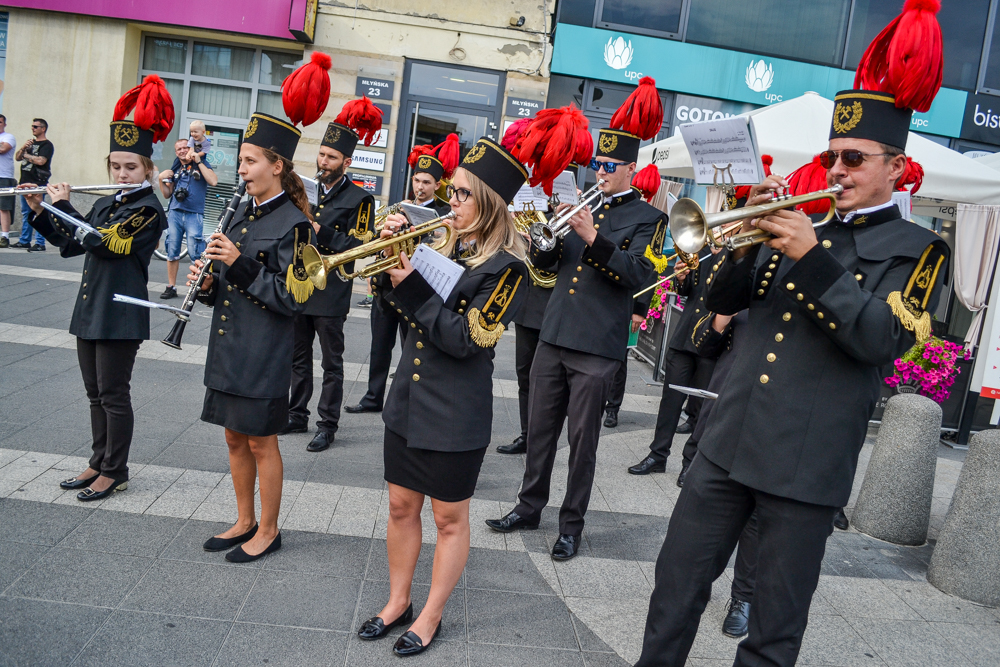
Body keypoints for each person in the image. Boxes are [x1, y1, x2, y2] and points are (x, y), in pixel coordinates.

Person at [635, 4, 950, 664]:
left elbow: (877, 342)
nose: (836, 170)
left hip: (804, 474)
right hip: (726, 447)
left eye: (854, 158)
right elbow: (716, 302)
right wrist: (748, 241)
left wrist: (811, 256)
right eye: (831, 156)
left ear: (896, 167)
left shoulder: (918, 251)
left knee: (772, 634)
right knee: (674, 592)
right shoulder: (808, 225)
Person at [356, 137, 528, 657]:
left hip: (455, 414)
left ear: (490, 205)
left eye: (460, 196)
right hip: (408, 400)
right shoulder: (442, 248)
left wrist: (410, 284)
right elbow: (398, 310)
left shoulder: (509, 271)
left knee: (448, 519)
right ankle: (397, 601)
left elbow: (464, 341)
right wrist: (392, 259)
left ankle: (429, 616)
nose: (449, 204)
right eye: (451, 194)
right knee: (400, 506)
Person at [487, 78, 666, 561]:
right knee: (540, 430)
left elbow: (638, 274)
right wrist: (543, 244)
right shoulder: (577, 206)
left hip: (596, 346)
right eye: (598, 165)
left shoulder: (649, 218)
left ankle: (571, 525)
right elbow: (549, 270)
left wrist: (593, 239)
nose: (602, 172)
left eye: (611, 167)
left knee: (582, 442)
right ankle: (529, 506)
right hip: (555, 333)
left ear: (632, 168)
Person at [191, 54, 330, 562]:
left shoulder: (295, 223)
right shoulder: (242, 214)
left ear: (277, 165)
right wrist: (208, 282)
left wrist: (237, 263)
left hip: (264, 348)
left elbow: (295, 296)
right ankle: (244, 518)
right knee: (233, 438)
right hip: (231, 342)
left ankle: (268, 529)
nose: (241, 170)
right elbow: (232, 280)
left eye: (250, 162)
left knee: (260, 443)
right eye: (241, 161)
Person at [21, 76, 171, 500]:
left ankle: (115, 470)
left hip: (120, 313)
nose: (121, 174)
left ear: (147, 169)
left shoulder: (147, 210)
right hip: (91, 308)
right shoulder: (108, 202)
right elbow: (71, 244)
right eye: (116, 166)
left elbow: (106, 244)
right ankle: (97, 461)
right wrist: (40, 210)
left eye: (131, 167)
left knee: (113, 394)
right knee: (94, 394)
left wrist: (65, 205)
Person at [279, 95, 380, 452]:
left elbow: (360, 245)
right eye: (321, 154)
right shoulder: (304, 190)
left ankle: (327, 424)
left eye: (331, 157)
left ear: (346, 162)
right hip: (301, 284)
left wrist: (320, 230)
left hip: (332, 289)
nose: (323, 162)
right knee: (297, 356)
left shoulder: (360, 199)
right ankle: (296, 414)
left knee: (332, 363)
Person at [345, 137, 456, 416]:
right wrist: (377, 266)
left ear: (437, 185)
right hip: (385, 286)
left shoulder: (443, 215)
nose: (419, 186)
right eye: (417, 180)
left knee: (411, 348)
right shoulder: (399, 207)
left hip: (413, 288)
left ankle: (408, 400)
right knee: (379, 345)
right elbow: (379, 242)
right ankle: (373, 396)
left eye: (426, 183)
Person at [158, 138, 218, 299]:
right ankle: (171, 286)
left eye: (185, 147)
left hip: (194, 213)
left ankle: (197, 285)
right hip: (175, 212)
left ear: (191, 148)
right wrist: (160, 179)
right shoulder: (176, 168)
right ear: (176, 152)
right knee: (172, 249)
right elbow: (167, 194)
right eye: (179, 149)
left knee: (196, 252)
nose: (182, 151)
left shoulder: (201, 163)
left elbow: (213, 181)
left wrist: (198, 161)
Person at [12, 118, 53, 251]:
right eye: (32, 126)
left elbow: (41, 161)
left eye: (36, 126)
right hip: (24, 182)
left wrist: (26, 155)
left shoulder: (47, 145)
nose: (33, 129)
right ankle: (25, 240)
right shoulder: (29, 144)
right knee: (26, 213)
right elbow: (18, 157)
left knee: (38, 212)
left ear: (43, 128)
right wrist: (23, 148)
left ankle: (40, 242)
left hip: (37, 183)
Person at [0, 115, 16, 247]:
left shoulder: (8, 137)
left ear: (4, 124)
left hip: (4, 176)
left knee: (3, 207)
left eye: (0, 122)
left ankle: (4, 236)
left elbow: (3, 148)